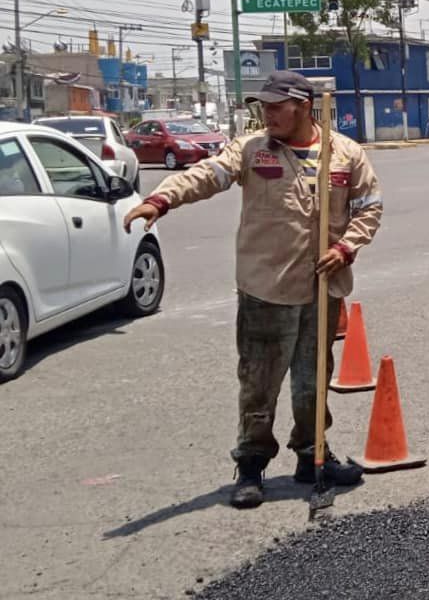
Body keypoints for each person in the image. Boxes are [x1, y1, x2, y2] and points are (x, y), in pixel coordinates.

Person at [122, 71, 383, 509]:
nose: (267, 114)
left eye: (276, 106)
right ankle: (251, 465)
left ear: (302, 106)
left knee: (313, 381)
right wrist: (161, 199)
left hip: (322, 289)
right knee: (259, 384)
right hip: (266, 288)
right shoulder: (251, 150)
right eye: (262, 107)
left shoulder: (344, 153)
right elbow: (207, 175)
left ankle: (312, 454)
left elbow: (369, 208)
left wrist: (345, 247)